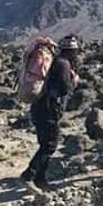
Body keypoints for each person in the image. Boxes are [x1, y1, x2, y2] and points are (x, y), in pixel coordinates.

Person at [20, 35, 80, 192]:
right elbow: (65, 88)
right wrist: (73, 79)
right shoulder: (63, 64)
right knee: (50, 144)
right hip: (49, 109)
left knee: (45, 143)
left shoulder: (56, 62)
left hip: (39, 107)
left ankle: (41, 180)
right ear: (73, 51)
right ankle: (28, 175)